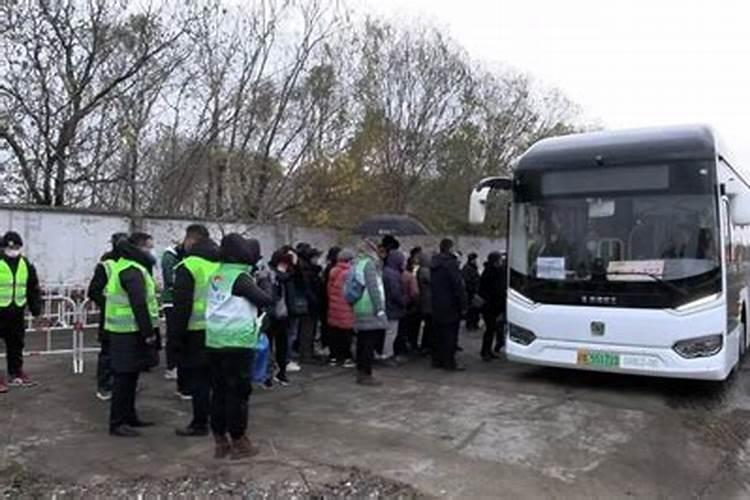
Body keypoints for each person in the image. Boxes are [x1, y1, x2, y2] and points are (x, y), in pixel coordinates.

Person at [206, 234, 274, 459]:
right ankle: (239, 441)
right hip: (237, 343)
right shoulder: (240, 277)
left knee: (218, 392)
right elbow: (265, 300)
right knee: (238, 393)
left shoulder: (216, 274)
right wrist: (265, 281)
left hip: (214, 341)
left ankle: (219, 440)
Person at [105, 233, 159, 437]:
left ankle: (129, 416)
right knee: (124, 378)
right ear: (138, 249)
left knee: (131, 376)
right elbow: (139, 304)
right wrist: (148, 333)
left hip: (127, 331)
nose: (151, 252)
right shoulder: (131, 270)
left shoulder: (130, 267)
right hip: (127, 332)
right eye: (148, 247)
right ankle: (117, 422)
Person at [173, 225, 220, 437]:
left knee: (199, 381)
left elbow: (182, 307)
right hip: (220, 329)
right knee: (217, 379)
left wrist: (175, 338)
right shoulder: (220, 264)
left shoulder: (188, 266)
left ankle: (200, 423)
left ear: (191, 240)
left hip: (196, 331)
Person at [87, 232, 128, 401]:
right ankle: (104, 386)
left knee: (125, 355)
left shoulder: (131, 264)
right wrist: (109, 305)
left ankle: (120, 386)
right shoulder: (106, 265)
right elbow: (94, 291)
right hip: (110, 318)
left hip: (128, 319)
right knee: (108, 353)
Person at [0, 231, 42, 393]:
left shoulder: (26, 264)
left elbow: (32, 288)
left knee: (16, 344)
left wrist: (36, 310)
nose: (13, 250)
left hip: (17, 311)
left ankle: (16, 372)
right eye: (10, 247)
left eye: (16, 247)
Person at [351, 239, 388, 386]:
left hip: (359, 305)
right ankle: (366, 373)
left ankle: (361, 371)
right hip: (370, 306)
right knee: (368, 343)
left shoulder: (357, 264)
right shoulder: (369, 265)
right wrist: (379, 309)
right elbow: (373, 287)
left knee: (362, 340)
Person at [431, 239, 468, 371]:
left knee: (438, 333)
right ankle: (449, 362)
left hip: (436, 303)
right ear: (450, 249)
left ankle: (437, 359)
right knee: (450, 335)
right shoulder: (451, 265)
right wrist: (464, 305)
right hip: (451, 305)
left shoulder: (433, 264)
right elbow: (458, 286)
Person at [161, 239, 189, 398]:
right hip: (171, 301)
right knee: (173, 334)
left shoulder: (177, 256)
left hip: (177, 300)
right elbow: (171, 279)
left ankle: (175, 365)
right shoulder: (169, 257)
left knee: (177, 334)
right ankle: (171, 367)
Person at [326, 249, 355, 367]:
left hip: (333, 306)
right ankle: (346, 358)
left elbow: (329, 289)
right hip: (346, 307)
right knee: (346, 333)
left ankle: (333, 356)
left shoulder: (333, 271)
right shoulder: (350, 273)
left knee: (334, 332)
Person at [479, 252, 506, 361]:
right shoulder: (494, 272)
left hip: (489, 305)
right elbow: (497, 291)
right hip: (491, 306)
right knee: (490, 329)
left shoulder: (488, 271)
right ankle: (485, 351)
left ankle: (487, 350)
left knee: (491, 329)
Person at [382, 250, 407, 363]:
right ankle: (387, 355)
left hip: (387, 306)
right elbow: (395, 292)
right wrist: (403, 301)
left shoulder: (386, 271)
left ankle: (385, 353)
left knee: (388, 332)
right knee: (391, 332)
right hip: (392, 307)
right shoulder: (393, 274)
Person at [416, 251, 434, 354]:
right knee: (429, 325)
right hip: (428, 301)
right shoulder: (425, 271)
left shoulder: (421, 270)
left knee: (428, 324)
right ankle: (426, 345)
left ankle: (425, 345)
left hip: (425, 300)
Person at [462, 253, 481, 331]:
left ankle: (474, 324)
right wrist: (473, 290)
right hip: (471, 292)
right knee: (471, 310)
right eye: (475, 259)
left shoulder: (472, 268)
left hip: (473, 292)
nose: (477, 261)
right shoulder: (468, 268)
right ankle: (470, 324)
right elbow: (468, 281)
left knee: (475, 309)